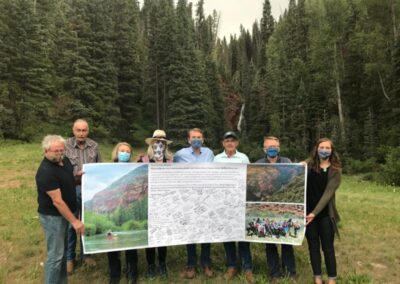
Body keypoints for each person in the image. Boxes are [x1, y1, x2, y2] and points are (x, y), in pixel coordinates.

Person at [36, 135, 85, 284]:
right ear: (46, 150)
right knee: (55, 257)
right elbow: (57, 201)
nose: (59, 153)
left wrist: (78, 177)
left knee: (62, 254)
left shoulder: (65, 161)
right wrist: (75, 221)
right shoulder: (45, 171)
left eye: (61, 150)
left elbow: (69, 179)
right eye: (55, 151)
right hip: (53, 217)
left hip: (64, 214)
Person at [214, 131, 255, 284]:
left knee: (243, 237)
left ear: (237, 143)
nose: (230, 143)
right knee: (228, 237)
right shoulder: (216, 159)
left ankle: (247, 268)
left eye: (233, 140)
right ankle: (231, 266)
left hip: (240, 202)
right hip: (223, 204)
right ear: (223, 143)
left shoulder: (243, 158)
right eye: (227, 140)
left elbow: (250, 177)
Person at [173, 128, 214, 279]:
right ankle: (191, 264)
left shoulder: (209, 153)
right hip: (188, 200)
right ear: (188, 140)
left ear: (203, 140)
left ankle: (206, 262)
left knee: (206, 232)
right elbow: (170, 170)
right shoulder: (180, 154)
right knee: (190, 232)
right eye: (193, 137)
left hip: (206, 198)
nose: (196, 139)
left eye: (199, 137)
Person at [255, 136, 296, 279]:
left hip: (284, 205)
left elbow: (293, 179)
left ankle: (290, 272)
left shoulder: (287, 162)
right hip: (266, 206)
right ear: (264, 149)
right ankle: (274, 273)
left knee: (286, 240)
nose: (272, 149)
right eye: (269, 146)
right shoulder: (258, 164)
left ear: (279, 148)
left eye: (275, 146)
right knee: (270, 241)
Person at [65, 119, 101, 273]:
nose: (81, 133)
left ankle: (87, 255)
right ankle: (69, 258)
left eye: (84, 130)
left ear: (88, 131)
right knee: (71, 224)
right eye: (78, 130)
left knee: (87, 223)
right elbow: (60, 170)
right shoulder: (65, 146)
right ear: (73, 131)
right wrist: (75, 175)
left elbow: (100, 166)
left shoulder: (94, 146)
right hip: (71, 189)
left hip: (89, 191)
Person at [137, 130, 173, 279]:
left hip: (164, 204)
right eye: (156, 141)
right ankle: (151, 265)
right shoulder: (143, 160)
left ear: (165, 144)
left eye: (162, 141)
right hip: (148, 203)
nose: (159, 143)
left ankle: (162, 264)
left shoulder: (170, 161)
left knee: (162, 236)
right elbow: (138, 179)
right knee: (150, 236)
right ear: (152, 143)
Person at [305, 138, 341, 284]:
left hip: (325, 215)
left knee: (328, 248)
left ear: (332, 151)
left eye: (327, 148)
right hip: (307, 215)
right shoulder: (309, 165)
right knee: (313, 247)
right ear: (317, 148)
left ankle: (332, 279)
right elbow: (298, 170)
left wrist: (315, 213)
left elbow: (328, 194)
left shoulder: (335, 170)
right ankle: (317, 277)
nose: (324, 150)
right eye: (322, 147)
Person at [107, 142, 138, 284]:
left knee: (130, 243)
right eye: (122, 151)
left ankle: (132, 273)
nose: (124, 153)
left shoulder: (133, 169)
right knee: (112, 244)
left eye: (127, 151)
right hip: (111, 212)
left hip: (128, 211)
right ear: (116, 152)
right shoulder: (106, 168)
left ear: (130, 154)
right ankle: (115, 274)